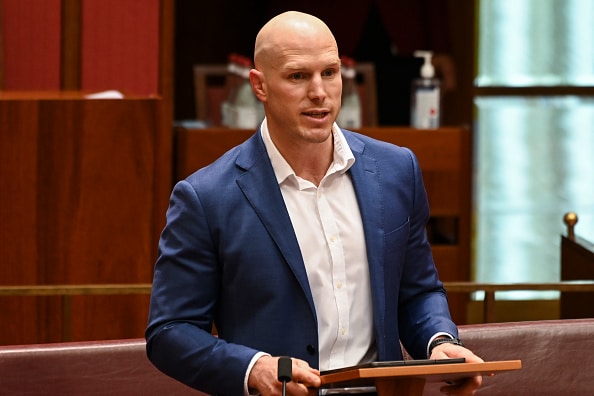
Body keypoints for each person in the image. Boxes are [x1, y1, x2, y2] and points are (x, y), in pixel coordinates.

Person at [146, 11, 483, 396]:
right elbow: (170, 331)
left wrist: (439, 343)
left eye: (330, 72)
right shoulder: (206, 197)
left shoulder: (396, 170)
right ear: (260, 86)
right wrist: (253, 369)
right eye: (298, 76)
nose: (319, 92)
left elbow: (418, 291)